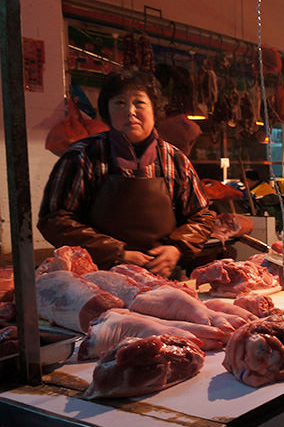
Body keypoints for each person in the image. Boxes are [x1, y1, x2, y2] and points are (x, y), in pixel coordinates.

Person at [38, 69, 215, 278]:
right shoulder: (83, 156)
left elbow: (201, 216)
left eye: (139, 103)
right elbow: (54, 219)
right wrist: (115, 253)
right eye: (120, 103)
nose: (130, 111)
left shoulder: (175, 159)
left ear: (154, 110)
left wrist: (177, 248)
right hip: (97, 280)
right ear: (107, 111)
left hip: (164, 279)